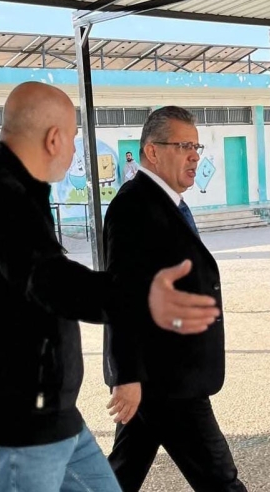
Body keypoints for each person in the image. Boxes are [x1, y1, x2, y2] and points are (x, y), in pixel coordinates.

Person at [0, 84, 221, 492]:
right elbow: (50, 280)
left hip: (53, 414)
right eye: (74, 137)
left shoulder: (22, 193)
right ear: (54, 138)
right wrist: (144, 301)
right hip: (14, 424)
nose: (75, 150)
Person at [102, 106, 247, 492]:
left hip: (163, 375)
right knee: (220, 480)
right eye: (184, 146)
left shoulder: (164, 203)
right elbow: (122, 297)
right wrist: (127, 376)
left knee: (121, 473)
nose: (195, 156)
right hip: (168, 380)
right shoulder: (133, 208)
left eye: (196, 147)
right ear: (152, 151)